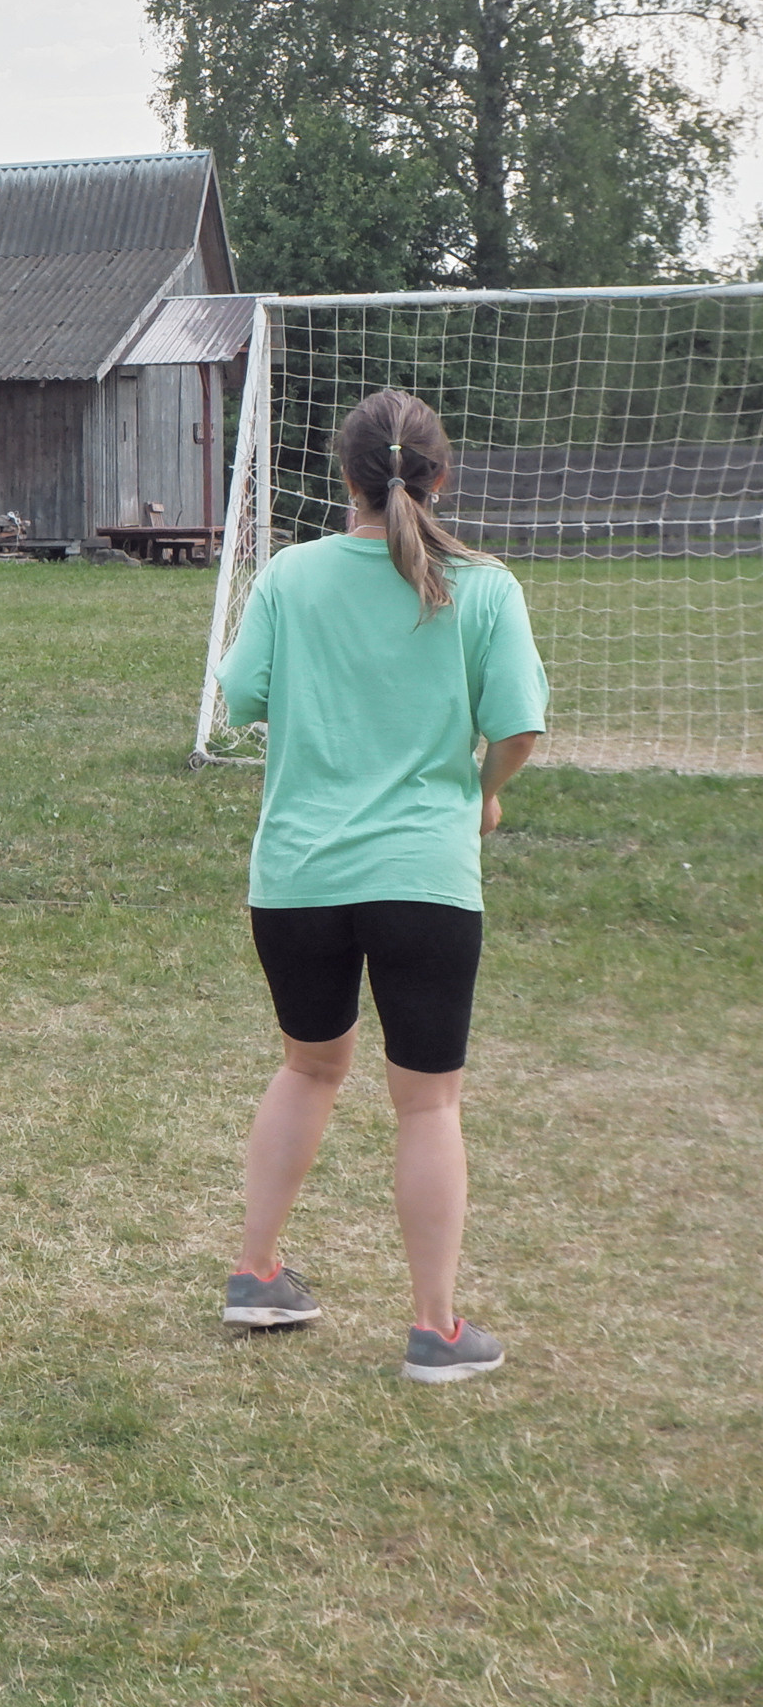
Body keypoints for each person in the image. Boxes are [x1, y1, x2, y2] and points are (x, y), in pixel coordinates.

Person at [213, 387, 549, 1382]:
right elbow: (519, 727)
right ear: (439, 477)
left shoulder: (289, 575)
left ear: (341, 479)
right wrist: (480, 797)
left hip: (296, 877)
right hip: (424, 880)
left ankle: (254, 1273)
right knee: (426, 1102)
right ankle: (433, 1331)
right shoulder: (481, 587)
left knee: (307, 1066)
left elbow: (240, 700)